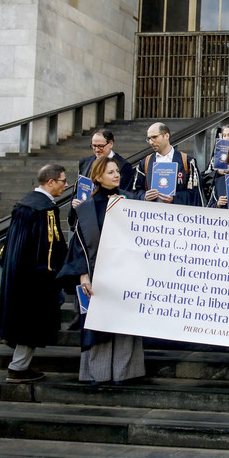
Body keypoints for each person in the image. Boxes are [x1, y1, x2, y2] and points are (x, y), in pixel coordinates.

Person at [57, 156, 145, 385]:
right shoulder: (85, 209)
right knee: (98, 325)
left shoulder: (131, 201)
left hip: (127, 273)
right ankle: (99, 373)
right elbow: (79, 246)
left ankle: (125, 372)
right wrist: (83, 275)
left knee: (124, 324)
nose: (116, 175)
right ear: (97, 177)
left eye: (117, 171)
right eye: (110, 172)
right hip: (96, 276)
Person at [0, 164, 69, 383]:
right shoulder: (45, 209)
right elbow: (51, 246)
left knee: (23, 319)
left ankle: (19, 362)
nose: (65, 185)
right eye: (63, 181)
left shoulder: (25, 203)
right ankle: (18, 368)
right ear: (50, 182)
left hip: (17, 272)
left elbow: (8, 243)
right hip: (36, 278)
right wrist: (57, 272)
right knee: (33, 321)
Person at [133, 122, 204, 206]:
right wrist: (143, 196)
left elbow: (196, 194)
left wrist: (175, 198)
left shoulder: (187, 161)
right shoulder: (145, 162)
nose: (151, 142)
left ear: (166, 136)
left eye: (154, 137)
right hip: (151, 214)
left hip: (178, 215)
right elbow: (136, 190)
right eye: (149, 139)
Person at [201, 124, 229, 199]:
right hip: (219, 188)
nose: (226, 138)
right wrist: (218, 172)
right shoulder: (217, 153)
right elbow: (206, 174)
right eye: (224, 135)